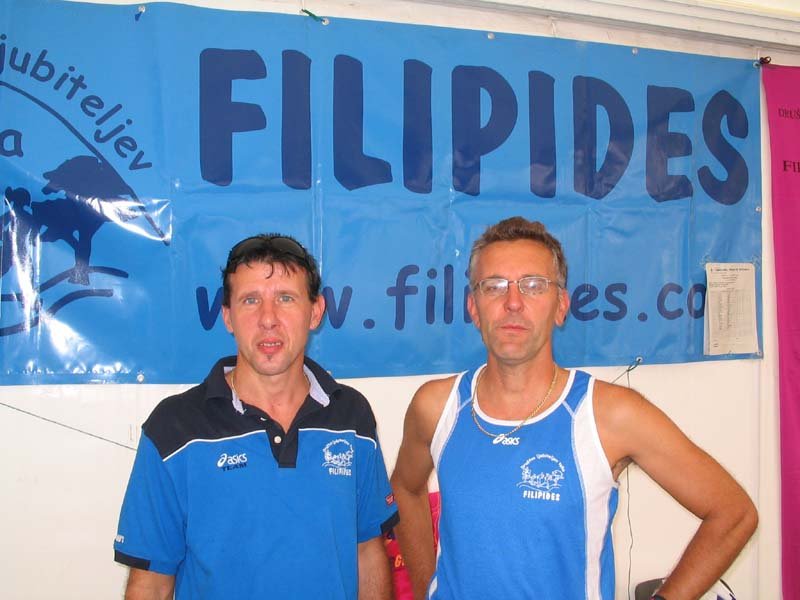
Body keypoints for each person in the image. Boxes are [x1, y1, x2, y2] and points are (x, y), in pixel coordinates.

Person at [390, 217, 757, 600]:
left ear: (561, 306)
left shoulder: (609, 415)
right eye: (494, 286)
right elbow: (405, 488)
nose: (512, 302)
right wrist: (426, 588)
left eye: (534, 285)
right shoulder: (436, 407)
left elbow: (733, 514)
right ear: (473, 307)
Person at [114, 233, 398, 599]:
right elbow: (151, 583)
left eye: (285, 298)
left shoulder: (352, 416)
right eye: (250, 300)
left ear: (315, 312)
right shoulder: (174, 428)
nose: (268, 319)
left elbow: (367, 552)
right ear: (228, 317)